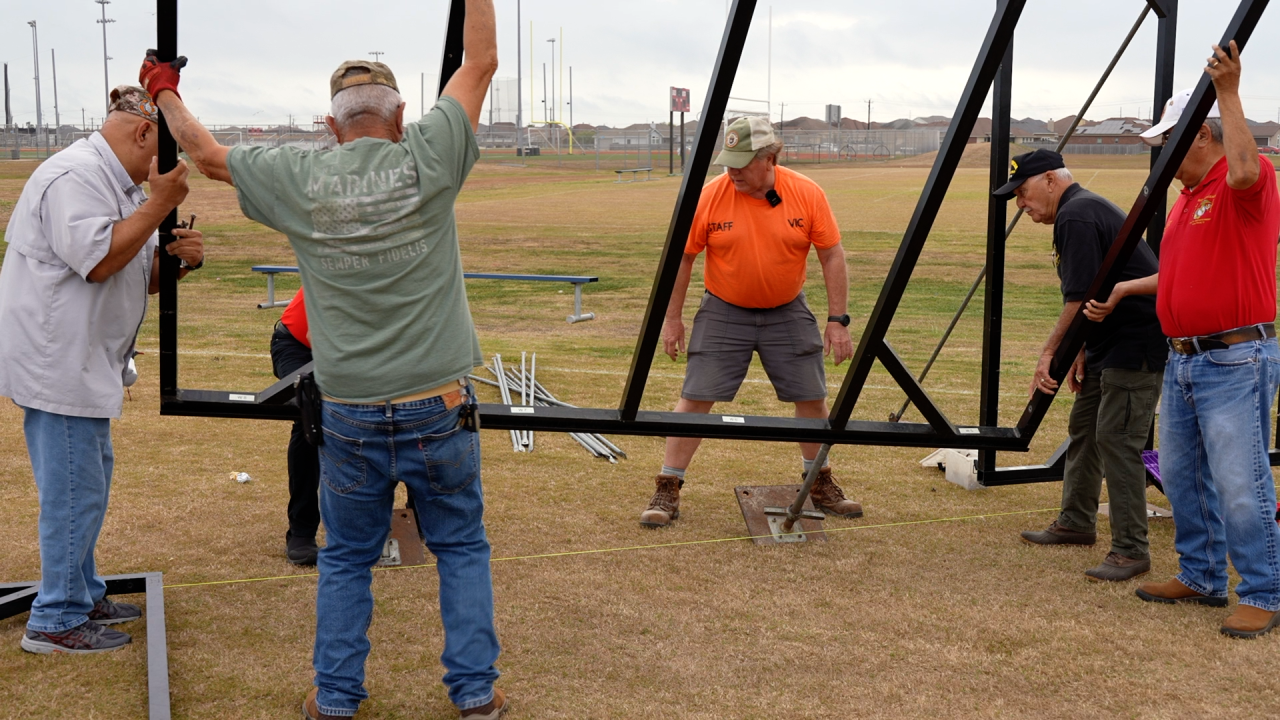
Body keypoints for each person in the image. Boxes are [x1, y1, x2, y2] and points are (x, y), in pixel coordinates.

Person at [139, 2, 505, 714]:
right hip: (440, 400)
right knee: (460, 548)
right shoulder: (428, 150)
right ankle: (476, 698)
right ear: (401, 117)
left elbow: (207, 156)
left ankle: (336, 700)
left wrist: (163, 91)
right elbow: (480, 61)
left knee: (345, 557)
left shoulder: (302, 177)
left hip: (351, 407)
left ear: (331, 128)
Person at [0, 86, 203, 653]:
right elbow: (98, 262)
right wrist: (159, 204)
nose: (162, 169)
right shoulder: (74, 178)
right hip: (58, 363)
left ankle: (81, 592)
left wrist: (179, 262)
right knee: (73, 493)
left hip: (82, 362)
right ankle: (56, 619)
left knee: (87, 485)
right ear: (143, 133)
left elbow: (130, 271)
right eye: (161, 152)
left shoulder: (115, 184)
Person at [1089, 42, 1280, 638]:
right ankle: (1199, 575)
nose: (1161, 156)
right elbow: (1181, 274)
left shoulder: (1245, 179)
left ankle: (1265, 590)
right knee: (1182, 470)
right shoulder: (1187, 199)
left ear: (1200, 136)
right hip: (1185, 359)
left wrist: (1228, 90)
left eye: (1168, 142)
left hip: (1234, 355)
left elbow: (1247, 170)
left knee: (1240, 479)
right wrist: (1128, 290)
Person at [640, 116, 861, 528]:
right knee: (696, 395)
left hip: (787, 308)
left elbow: (832, 254)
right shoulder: (710, 196)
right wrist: (673, 319)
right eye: (728, 162)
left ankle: (819, 481)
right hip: (725, 308)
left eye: (742, 162)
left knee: (811, 395)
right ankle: (667, 486)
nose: (733, 171)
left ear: (771, 158)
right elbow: (682, 258)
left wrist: (837, 321)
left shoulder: (807, 193)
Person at [995, 149, 1165, 582]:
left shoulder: (1078, 214)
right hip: (1105, 343)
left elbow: (1078, 298)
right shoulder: (1078, 210)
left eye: (1023, 192)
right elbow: (1093, 293)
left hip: (1135, 344)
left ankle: (1131, 549)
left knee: (1117, 439)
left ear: (1050, 179)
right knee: (1085, 428)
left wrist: (1052, 352)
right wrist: (1082, 349)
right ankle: (1075, 522)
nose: (1021, 204)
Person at [270, 288, 321, 566]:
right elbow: (319, 334)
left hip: (356, 349)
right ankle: (301, 532)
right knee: (310, 417)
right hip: (297, 343)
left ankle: (419, 517)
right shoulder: (344, 260)